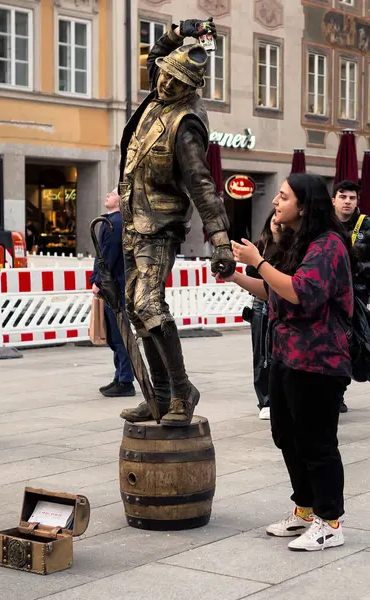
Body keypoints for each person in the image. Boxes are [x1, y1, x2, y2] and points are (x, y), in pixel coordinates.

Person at [218, 173, 354, 551]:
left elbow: (299, 292)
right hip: (287, 356)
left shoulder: (329, 246)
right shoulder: (301, 242)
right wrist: (235, 276)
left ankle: (330, 522)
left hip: (319, 360)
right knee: (287, 436)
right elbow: (272, 290)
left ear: (304, 206)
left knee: (317, 443)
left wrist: (258, 260)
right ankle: (305, 509)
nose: (276, 202)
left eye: (283, 196)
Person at [118, 18, 235, 426]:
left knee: (149, 304)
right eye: (164, 78)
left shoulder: (186, 125)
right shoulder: (157, 94)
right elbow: (154, 57)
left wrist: (220, 242)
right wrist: (177, 31)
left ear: (191, 88)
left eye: (175, 84)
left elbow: (203, 186)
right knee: (136, 310)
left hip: (160, 225)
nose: (165, 86)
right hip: (133, 220)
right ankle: (161, 395)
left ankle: (183, 390)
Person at [91, 189, 136, 398]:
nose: (107, 194)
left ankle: (125, 380)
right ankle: (121, 377)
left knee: (119, 335)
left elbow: (106, 257)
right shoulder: (113, 222)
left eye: (113, 193)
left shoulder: (114, 224)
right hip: (116, 285)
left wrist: (98, 281)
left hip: (114, 286)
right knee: (116, 335)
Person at [332, 180, 370, 413]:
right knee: (331, 344)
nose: (347, 201)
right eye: (343, 196)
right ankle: (332, 392)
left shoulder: (366, 226)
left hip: (357, 296)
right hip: (328, 295)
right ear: (333, 200)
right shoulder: (324, 225)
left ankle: (339, 392)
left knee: (351, 345)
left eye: (352, 198)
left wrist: (356, 266)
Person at [245, 209, 281, 420]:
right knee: (261, 354)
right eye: (275, 221)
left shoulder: (294, 246)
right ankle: (265, 400)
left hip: (282, 304)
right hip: (261, 304)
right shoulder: (261, 246)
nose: (278, 225)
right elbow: (251, 273)